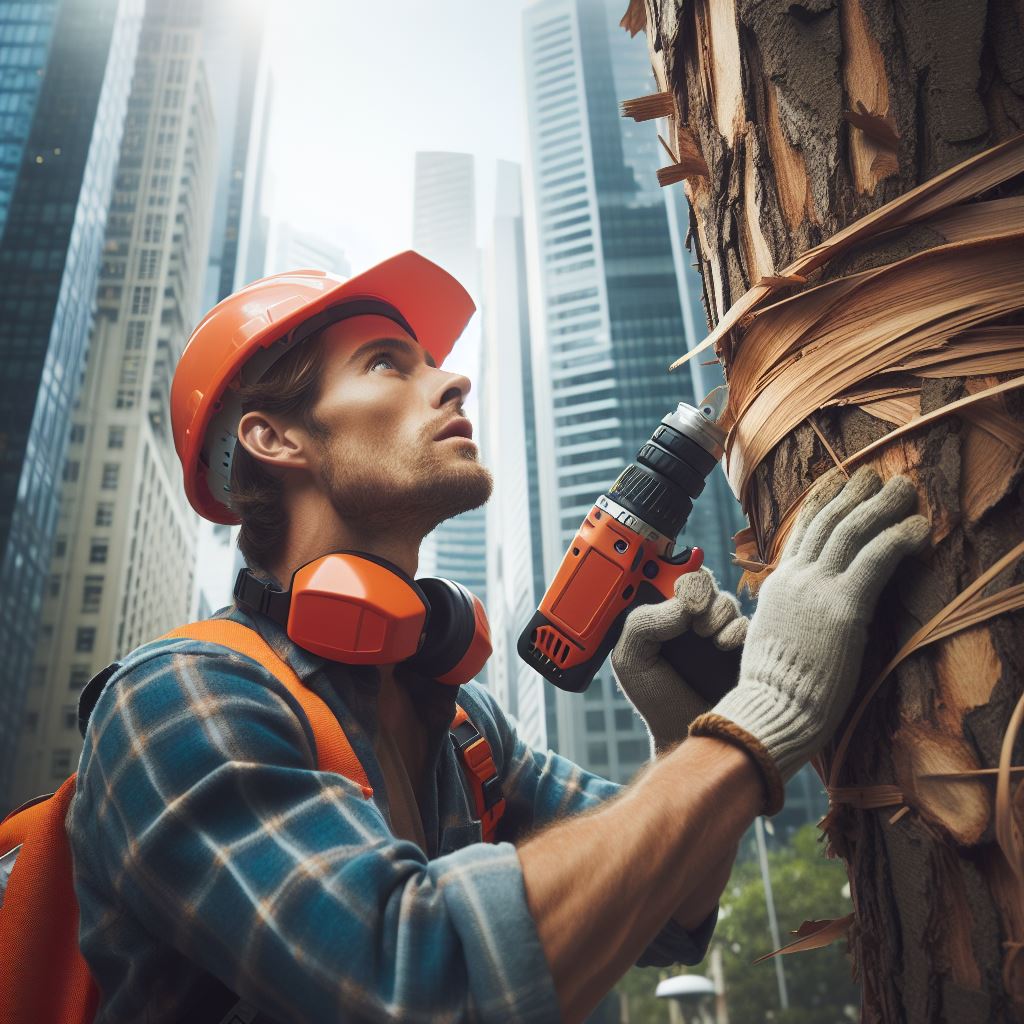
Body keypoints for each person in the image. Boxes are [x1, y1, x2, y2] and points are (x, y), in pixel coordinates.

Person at [68, 252, 930, 1023]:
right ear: (274, 436)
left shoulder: (463, 727)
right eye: (386, 365)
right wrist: (757, 722)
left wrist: (682, 740)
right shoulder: (177, 700)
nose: (452, 383)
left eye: (436, 363)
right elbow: (417, 982)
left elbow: (669, 916)